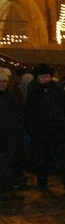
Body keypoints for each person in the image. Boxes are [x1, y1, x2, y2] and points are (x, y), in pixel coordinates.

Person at [24, 64, 65, 191]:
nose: (45, 79)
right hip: (40, 132)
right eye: (42, 77)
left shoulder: (57, 90)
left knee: (62, 156)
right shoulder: (34, 91)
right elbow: (29, 112)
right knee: (42, 158)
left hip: (57, 130)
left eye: (47, 77)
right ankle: (42, 182)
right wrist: (32, 128)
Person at [0, 68, 21, 199]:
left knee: (7, 160)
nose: (3, 84)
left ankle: (7, 183)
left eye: (4, 81)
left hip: (9, 134)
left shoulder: (10, 97)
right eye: (0, 81)